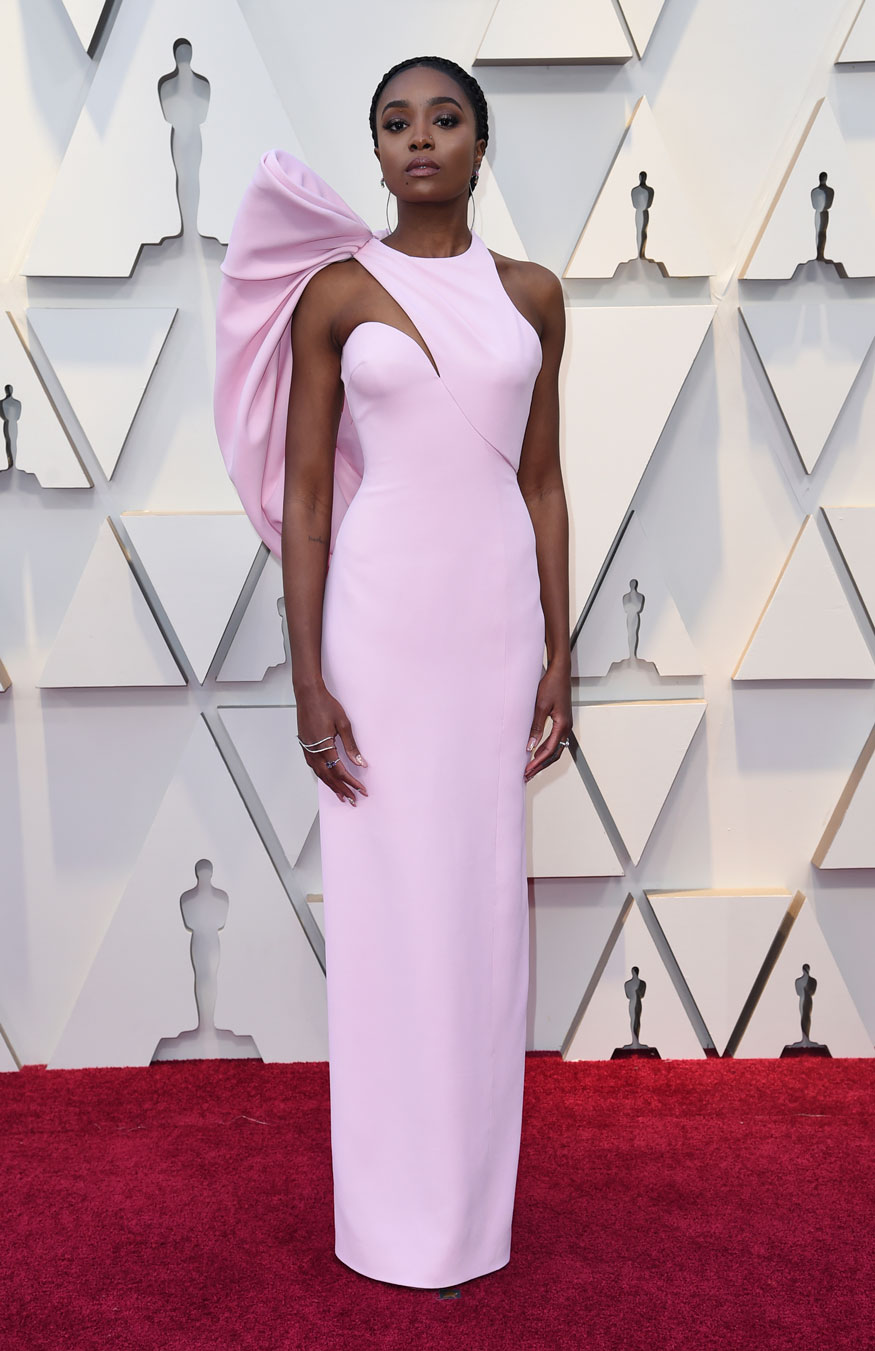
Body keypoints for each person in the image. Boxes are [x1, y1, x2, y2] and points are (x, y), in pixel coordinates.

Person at [214, 54, 572, 1291]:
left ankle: (469, 1217)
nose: (419, 138)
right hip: (373, 624)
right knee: (384, 916)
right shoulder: (334, 293)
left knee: (478, 912)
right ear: (374, 152)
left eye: (444, 118)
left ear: (481, 143)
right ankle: (382, 1217)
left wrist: (558, 654)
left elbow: (539, 482)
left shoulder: (533, 295)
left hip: (486, 632)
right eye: (394, 122)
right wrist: (307, 674)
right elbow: (307, 498)